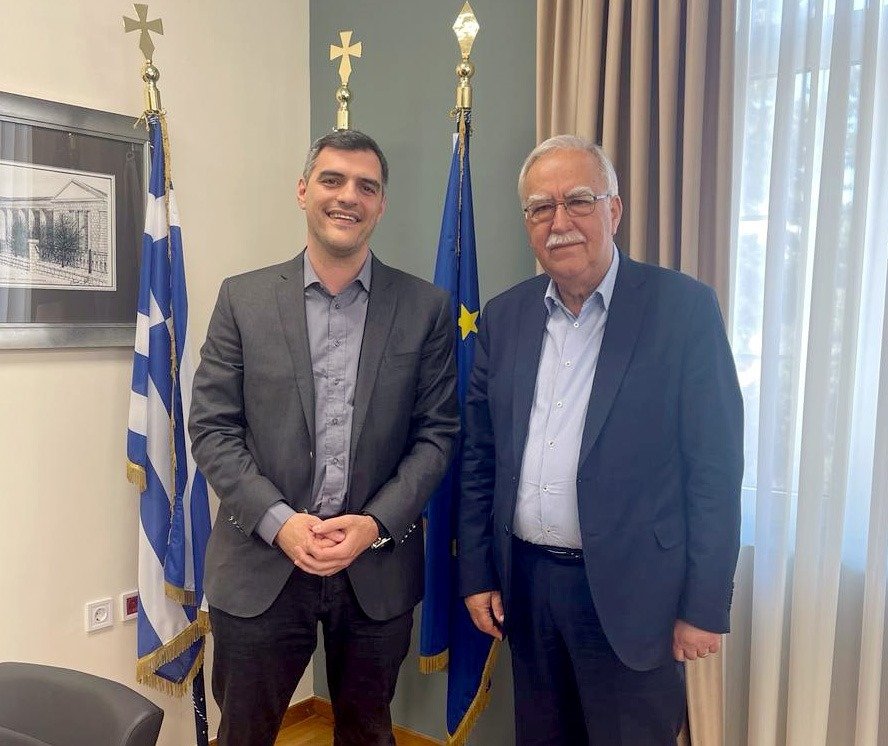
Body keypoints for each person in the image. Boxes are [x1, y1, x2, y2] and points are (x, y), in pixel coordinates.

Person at [458, 135, 743, 745]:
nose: (559, 221)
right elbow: (480, 458)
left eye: (578, 200)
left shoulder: (683, 310)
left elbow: (715, 470)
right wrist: (477, 573)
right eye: (541, 207)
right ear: (528, 224)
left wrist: (703, 606)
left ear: (614, 210)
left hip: (635, 594)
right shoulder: (503, 318)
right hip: (527, 588)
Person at [189, 129, 459, 746]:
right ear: (303, 190)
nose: (348, 197)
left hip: (375, 566)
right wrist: (280, 522)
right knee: (244, 734)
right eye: (332, 180)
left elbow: (437, 435)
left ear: (381, 204)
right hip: (261, 561)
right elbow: (212, 427)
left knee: (368, 733)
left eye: (367, 186)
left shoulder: (425, 308)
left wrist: (375, 524)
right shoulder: (243, 299)